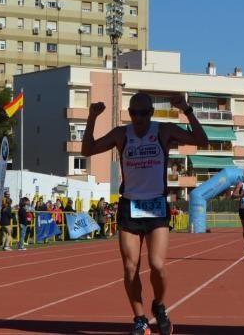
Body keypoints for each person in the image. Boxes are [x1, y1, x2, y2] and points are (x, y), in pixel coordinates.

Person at [81, 92, 208, 335]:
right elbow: (87, 150)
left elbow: (202, 140)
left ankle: (159, 305)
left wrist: (187, 110)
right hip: (130, 205)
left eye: (143, 113)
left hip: (156, 205)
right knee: (130, 268)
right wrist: (92, 118)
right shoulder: (121, 134)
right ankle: (139, 318)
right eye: (134, 113)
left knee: (157, 265)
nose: (138, 118)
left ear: (151, 113)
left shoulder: (164, 131)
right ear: (129, 113)